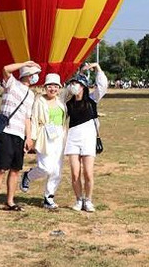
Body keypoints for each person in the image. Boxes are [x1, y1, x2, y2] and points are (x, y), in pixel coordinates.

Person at [0, 61, 39, 217]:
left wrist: (29, 138)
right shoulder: (12, 84)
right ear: (28, 75)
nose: (36, 77)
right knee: (1, 168)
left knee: (15, 169)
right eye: (35, 74)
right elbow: (5, 68)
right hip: (5, 131)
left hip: (19, 134)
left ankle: (10, 201)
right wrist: (26, 62)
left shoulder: (31, 95)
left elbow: (27, 117)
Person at [63, 62, 108, 212]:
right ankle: (78, 199)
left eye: (77, 83)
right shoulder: (68, 103)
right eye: (72, 83)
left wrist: (97, 68)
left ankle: (88, 200)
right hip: (73, 139)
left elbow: (102, 86)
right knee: (75, 173)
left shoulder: (92, 100)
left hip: (88, 138)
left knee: (88, 173)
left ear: (83, 86)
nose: (74, 86)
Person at [20, 73, 67, 210]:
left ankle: (49, 197)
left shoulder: (61, 101)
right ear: (45, 87)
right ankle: (28, 176)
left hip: (59, 137)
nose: (53, 89)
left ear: (59, 88)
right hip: (44, 135)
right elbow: (34, 120)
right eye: (50, 86)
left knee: (57, 170)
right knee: (46, 167)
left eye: (55, 86)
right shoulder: (39, 101)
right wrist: (31, 139)